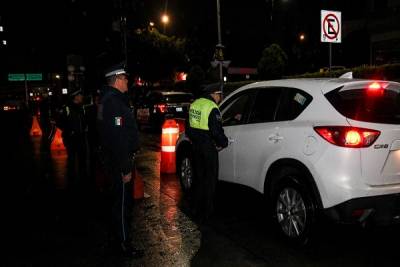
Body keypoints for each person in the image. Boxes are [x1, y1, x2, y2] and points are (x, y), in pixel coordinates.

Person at [97, 64, 143, 258]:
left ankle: (115, 240)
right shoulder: (114, 103)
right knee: (123, 204)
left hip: (113, 161)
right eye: (125, 78)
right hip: (119, 162)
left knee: (117, 203)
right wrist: (125, 168)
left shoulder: (110, 100)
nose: (127, 81)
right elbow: (118, 138)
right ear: (116, 80)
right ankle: (123, 245)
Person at [186, 82, 229, 223]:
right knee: (210, 180)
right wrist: (224, 143)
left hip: (196, 148)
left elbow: (188, 129)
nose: (220, 98)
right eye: (219, 95)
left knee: (199, 178)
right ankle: (207, 212)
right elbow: (216, 131)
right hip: (208, 148)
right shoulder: (212, 107)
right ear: (214, 94)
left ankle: (195, 208)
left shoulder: (195, 104)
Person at [56, 88, 88, 191]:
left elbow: (84, 121)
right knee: (72, 159)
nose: (82, 97)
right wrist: (69, 131)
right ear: (75, 97)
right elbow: (59, 123)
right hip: (71, 138)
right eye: (80, 95)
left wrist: (84, 128)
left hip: (81, 137)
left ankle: (84, 180)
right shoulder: (66, 108)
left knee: (82, 158)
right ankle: (71, 182)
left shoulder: (82, 107)